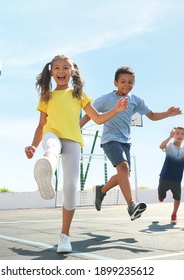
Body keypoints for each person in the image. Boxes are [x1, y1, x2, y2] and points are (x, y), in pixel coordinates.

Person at [25, 54, 128, 253]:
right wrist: (32, 145)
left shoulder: (78, 95)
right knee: (52, 148)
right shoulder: (47, 95)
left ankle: (64, 237)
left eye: (65, 68)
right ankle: (45, 169)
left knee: (70, 188)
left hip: (72, 140)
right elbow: (41, 126)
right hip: (51, 133)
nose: (61, 71)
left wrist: (115, 110)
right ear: (51, 72)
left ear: (72, 72)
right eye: (57, 68)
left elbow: (97, 119)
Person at [80, 66, 182, 221]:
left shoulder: (135, 100)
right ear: (115, 82)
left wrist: (167, 114)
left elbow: (152, 115)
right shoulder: (106, 99)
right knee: (123, 167)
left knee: (124, 174)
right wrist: (77, 128)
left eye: (130, 82)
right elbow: (89, 112)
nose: (126, 85)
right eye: (123, 82)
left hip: (125, 142)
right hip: (110, 140)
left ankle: (102, 190)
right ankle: (131, 206)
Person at [158, 127, 184, 223]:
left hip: (177, 180)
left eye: (182, 134)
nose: (180, 135)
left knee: (177, 198)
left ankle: (174, 214)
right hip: (164, 177)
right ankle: (161, 196)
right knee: (161, 196)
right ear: (173, 135)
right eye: (177, 133)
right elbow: (161, 146)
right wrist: (169, 137)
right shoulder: (169, 146)